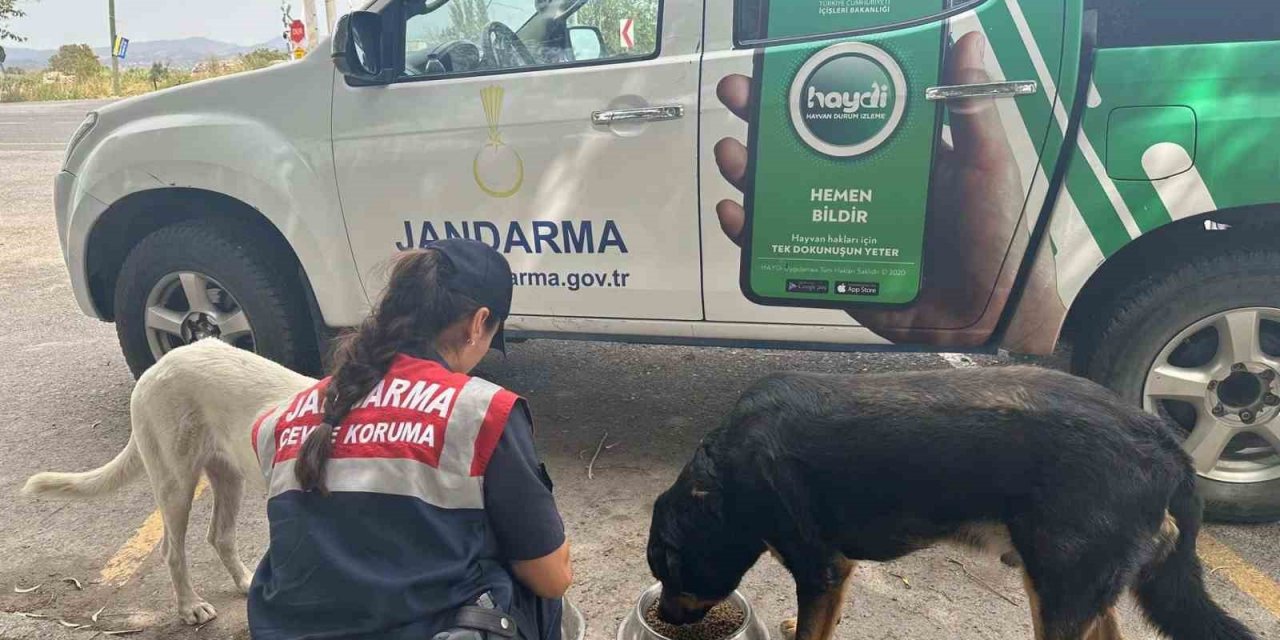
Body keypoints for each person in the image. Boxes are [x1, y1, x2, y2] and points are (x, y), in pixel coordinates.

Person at [247, 239, 571, 640]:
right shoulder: (481, 412)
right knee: (534, 581)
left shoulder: (278, 420)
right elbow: (551, 577)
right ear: (478, 323)